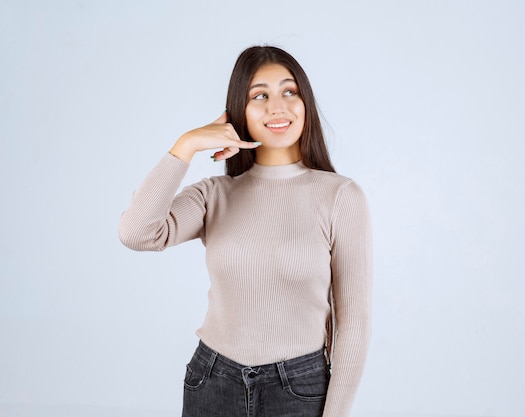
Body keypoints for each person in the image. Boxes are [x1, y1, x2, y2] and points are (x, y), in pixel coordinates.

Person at [119, 45, 372, 417]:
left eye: (290, 91)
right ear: (239, 111)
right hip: (213, 381)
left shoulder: (339, 196)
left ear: (306, 103)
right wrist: (186, 145)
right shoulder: (214, 195)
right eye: (260, 96)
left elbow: (354, 322)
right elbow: (137, 232)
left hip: (299, 388)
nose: (277, 107)